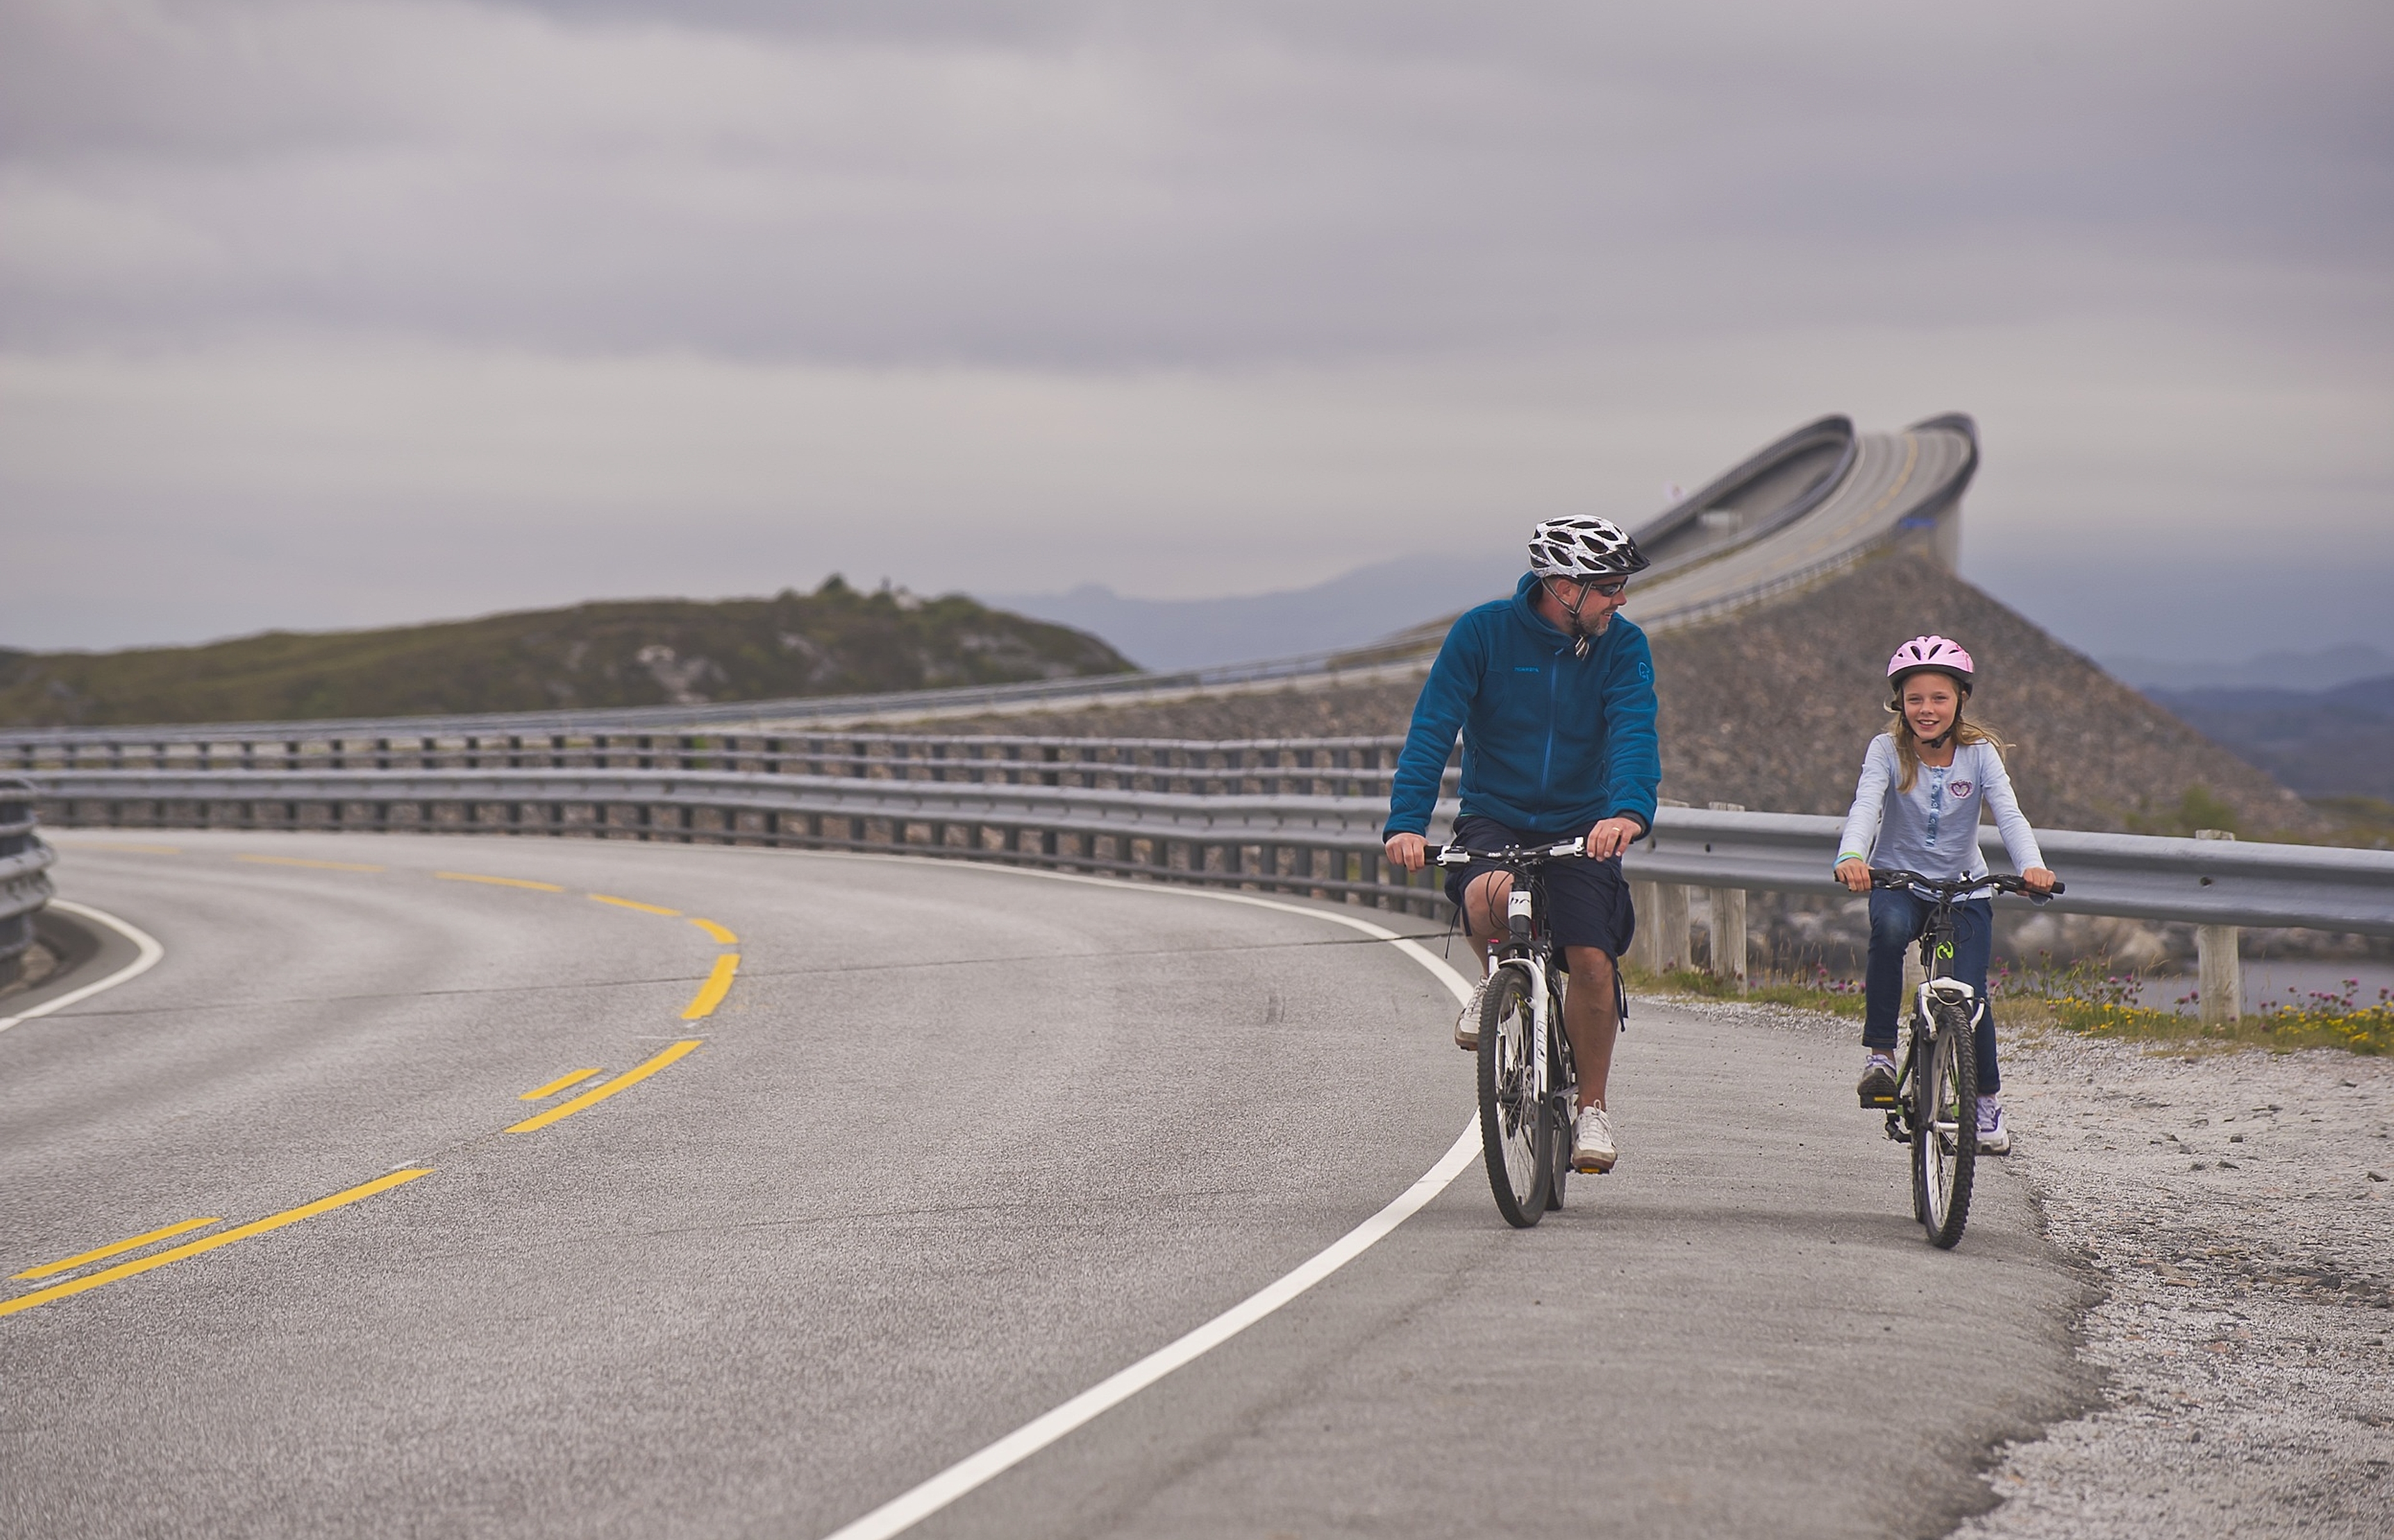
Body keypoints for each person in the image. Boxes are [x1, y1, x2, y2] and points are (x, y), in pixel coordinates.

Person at [1383, 516, 1661, 1175]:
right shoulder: (1481, 633)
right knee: (1487, 891)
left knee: (1591, 959)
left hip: (1583, 821)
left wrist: (1625, 811)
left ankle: (1592, 1108)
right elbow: (1432, 730)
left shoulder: (1624, 646)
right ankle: (1496, 979)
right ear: (1563, 586)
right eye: (1609, 587)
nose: (1620, 600)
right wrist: (1405, 822)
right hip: (1497, 816)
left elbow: (1634, 729)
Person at [1834, 636, 2056, 1154]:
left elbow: (2010, 813)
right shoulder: (1886, 749)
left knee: (1970, 997)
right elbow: (1865, 804)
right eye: (1915, 699)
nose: (1927, 709)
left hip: (1965, 891)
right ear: (1899, 703)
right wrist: (1851, 856)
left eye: (1939, 698)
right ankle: (1883, 1057)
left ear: (1960, 700)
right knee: (1888, 932)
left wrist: (2032, 867)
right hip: (1898, 883)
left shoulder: (1980, 755)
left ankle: (1985, 1107)